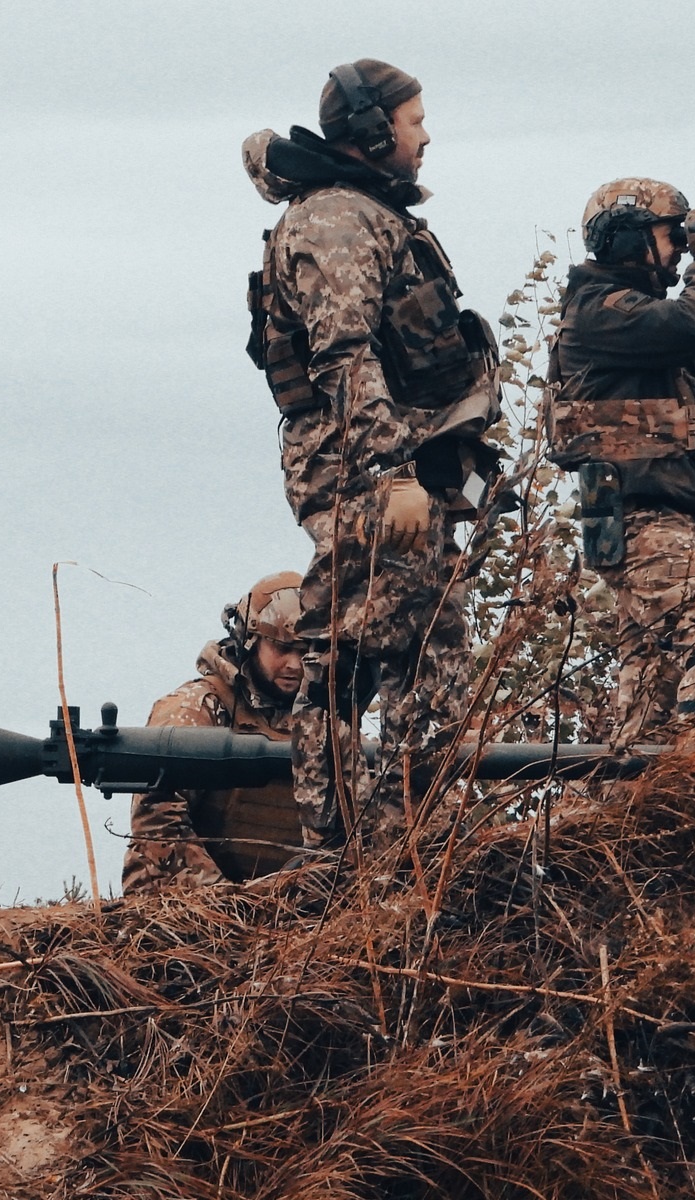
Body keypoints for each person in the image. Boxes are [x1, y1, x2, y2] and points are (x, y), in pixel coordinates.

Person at [242, 59, 500, 850]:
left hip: (397, 474)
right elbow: (345, 353)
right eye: (414, 121)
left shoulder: (369, 215)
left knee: (397, 661)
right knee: (383, 661)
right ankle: (365, 858)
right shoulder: (338, 220)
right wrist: (390, 477)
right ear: (373, 130)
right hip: (369, 477)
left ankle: (381, 851)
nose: (425, 136)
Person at [542, 179, 695, 745]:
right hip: (637, 517)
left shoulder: (650, 321)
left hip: (669, 522)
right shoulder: (600, 311)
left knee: (652, 709)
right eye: (673, 237)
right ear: (627, 241)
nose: (682, 250)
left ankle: (633, 821)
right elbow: (694, 323)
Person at [122, 572, 307, 892]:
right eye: (281, 647)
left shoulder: (320, 718)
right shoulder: (196, 707)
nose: (294, 664)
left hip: (286, 908)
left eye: (306, 650)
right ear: (250, 641)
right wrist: (229, 900)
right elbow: (157, 821)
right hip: (188, 900)